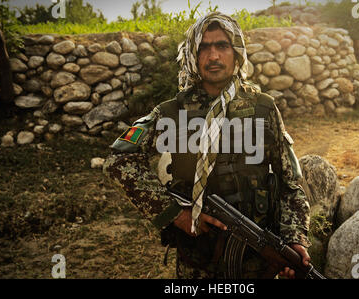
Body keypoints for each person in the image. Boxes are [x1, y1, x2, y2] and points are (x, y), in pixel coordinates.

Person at [103, 12, 311, 279]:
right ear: (193, 54)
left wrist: (295, 239)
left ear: (236, 52)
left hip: (256, 262)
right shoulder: (173, 113)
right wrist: (175, 213)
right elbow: (118, 161)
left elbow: (290, 182)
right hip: (197, 265)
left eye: (222, 45)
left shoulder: (263, 108)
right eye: (204, 47)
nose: (213, 56)